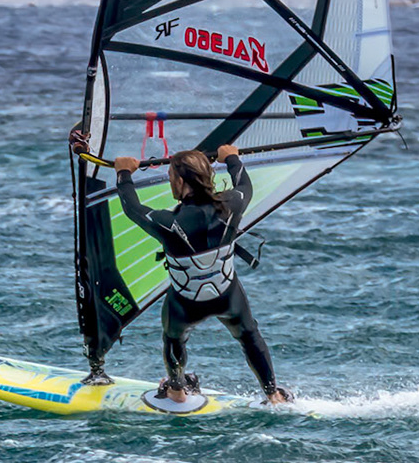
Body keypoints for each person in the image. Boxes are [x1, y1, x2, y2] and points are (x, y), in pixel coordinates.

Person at [113, 144, 292, 405]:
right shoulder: (232, 204)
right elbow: (245, 185)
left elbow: (132, 208)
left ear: (181, 181)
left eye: (171, 178)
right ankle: (273, 394)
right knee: (249, 335)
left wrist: (124, 174)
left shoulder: (168, 222)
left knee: (173, 336)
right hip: (228, 298)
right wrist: (231, 158)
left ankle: (176, 389)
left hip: (186, 305)